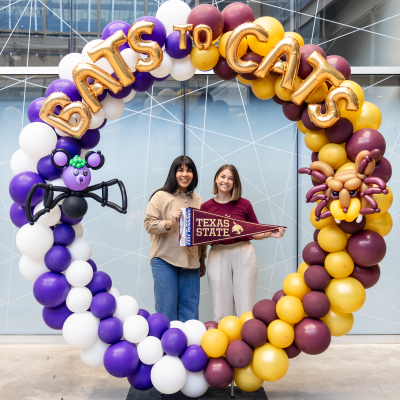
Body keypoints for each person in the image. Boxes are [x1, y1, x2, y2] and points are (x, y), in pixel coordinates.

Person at [201, 164, 285, 322]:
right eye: (223, 176)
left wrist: (269, 233)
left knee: (246, 305)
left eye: (231, 178)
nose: (226, 181)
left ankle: (246, 342)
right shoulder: (205, 207)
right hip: (217, 254)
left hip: (244, 253)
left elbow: (254, 232)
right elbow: (202, 237)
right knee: (220, 306)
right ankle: (222, 344)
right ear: (216, 179)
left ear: (235, 183)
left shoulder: (244, 204)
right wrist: (201, 261)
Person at [144, 156, 206, 322]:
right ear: (174, 173)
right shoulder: (160, 196)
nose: (185, 174)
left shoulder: (198, 200)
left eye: (189, 170)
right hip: (165, 259)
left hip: (191, 261)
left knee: (191, 312)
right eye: (180, 170)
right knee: (166, 311)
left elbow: (202, 234)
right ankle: (166, 348)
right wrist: (170, 222)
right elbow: (148, 224)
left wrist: (202, 259)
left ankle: (189, 347)